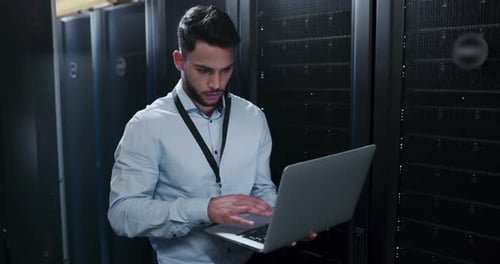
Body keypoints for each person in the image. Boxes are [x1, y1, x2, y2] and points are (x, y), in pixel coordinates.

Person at [107, 5, 278, 263]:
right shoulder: (146, 126)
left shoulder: (253, 118)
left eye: (226, 70)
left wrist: (284, 222)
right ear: (179, 61)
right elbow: (121, 214)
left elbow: (262, 188)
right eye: (204, 71)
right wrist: (204, 210)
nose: (217, 84)